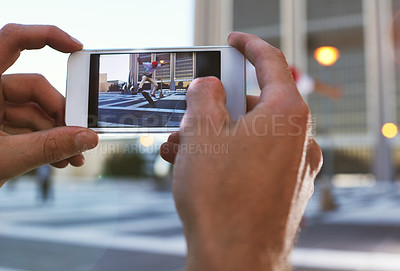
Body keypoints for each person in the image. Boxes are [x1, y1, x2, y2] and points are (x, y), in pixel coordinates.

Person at [0, 24, 322, 270]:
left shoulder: (152, 70)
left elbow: (151, 68)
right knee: (150, 92)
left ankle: (151, 94)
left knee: (152, 92)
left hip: (152, 84)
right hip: (149, 84)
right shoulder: (148, 71)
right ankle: (150, 94)